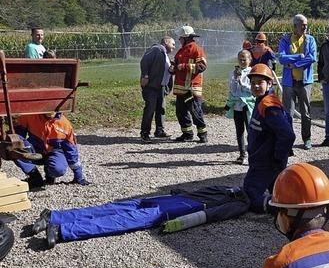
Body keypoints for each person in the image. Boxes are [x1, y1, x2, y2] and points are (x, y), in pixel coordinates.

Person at [28, 186, 249, 249]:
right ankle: (61, 229)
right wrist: (177, 224)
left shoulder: (229, 188)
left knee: (111, 209)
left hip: (169, 199)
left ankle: (55, 217)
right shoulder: (240, 203)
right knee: (120, 220)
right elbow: (210, 215)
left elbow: (199, 192)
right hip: (174, 208)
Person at [242, 64, 295, 213]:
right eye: (253, 83)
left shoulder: (269, 106)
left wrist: (278, 157)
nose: (256, 86)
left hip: (265, 162)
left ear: (270, 83)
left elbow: (287, 134)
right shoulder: (263, 101)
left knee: (249, 195)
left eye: (260, 82)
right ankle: (285, 207)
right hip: (264, 159)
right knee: (279, 191)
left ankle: (276, 209)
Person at [14, 113, 89, 190]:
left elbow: (71, 150)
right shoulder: (30, 116)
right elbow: (18, 137)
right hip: (35, 149)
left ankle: (50, 174)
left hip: (54, 152)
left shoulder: (65, 124)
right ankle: (35, 177)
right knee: (15, 151)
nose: (50, 112)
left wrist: (78, 175)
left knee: (58, 169)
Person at [278, 14, 317, 150]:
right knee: (288, 112)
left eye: (306, 24)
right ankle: (288, 139)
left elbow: (312, 57)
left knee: (305, 113)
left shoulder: (310, 40)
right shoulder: (285, 40)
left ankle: (307, 138)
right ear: (295, 26)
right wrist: (299, 56)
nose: (305, 26)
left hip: (305, 82)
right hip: (289, 83)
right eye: (302, 24)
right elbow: (282, 58)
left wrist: (295, 64)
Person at [172, 25, 208, 143]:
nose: (179, 40)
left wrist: (184, 67)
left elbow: (202, 66)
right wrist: (173, 68)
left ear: (186, 37)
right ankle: (187, 134)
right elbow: (176, 63)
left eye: (180, 37)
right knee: (180, 112)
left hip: (191, 88)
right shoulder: (181, 50)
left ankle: (203, 134)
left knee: (195, 111)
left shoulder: (197, 49)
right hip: (181, 88)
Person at [139, 36, 175, 142]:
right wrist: (145, 75)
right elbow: (144, 61)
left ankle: (159, 130)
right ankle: (145, 133)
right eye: (172, 44)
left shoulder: (165, 54)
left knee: (161, 109)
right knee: (150, 109)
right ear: (165, 42)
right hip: (151, 86)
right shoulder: (156, 49)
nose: (174, 46)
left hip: (161, 87)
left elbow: (164, 69)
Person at [224, 50, 255, 165]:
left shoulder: (252, 72)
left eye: (244, 59)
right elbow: (232, 90)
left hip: (248, 104)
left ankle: (253, 154)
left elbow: (252, 89)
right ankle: (242, 154)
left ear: (249, 60)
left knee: (250, 130)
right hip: (237, 105)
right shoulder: (233, 73)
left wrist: (242, 82)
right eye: (240, 59)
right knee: (239, 131)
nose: (242, 61)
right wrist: (235, 81)